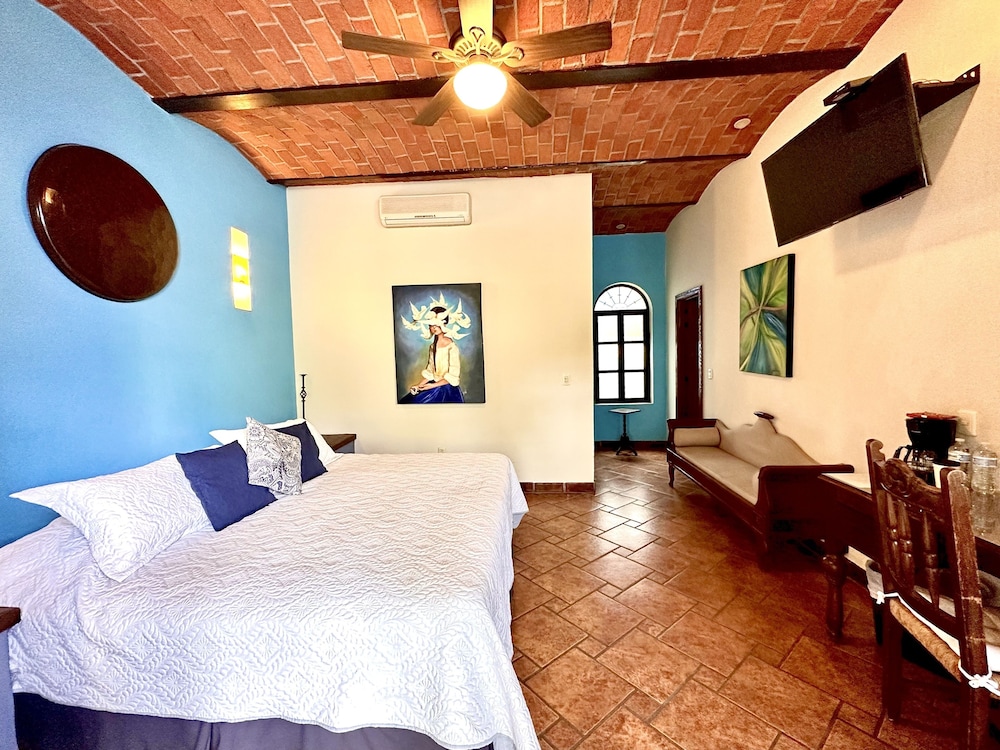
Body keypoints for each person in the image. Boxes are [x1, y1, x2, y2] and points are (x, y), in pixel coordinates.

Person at [399, 306, 464, 404]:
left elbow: (453, 376)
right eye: (431, 324)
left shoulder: (451, 346)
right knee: (408, 401)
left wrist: (432, 386)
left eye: (436, 324)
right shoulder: (432, 347)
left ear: (444, 323)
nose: (434, 327)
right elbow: (430, 372)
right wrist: (418, 386)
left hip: (447, 388)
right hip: (433, 385)